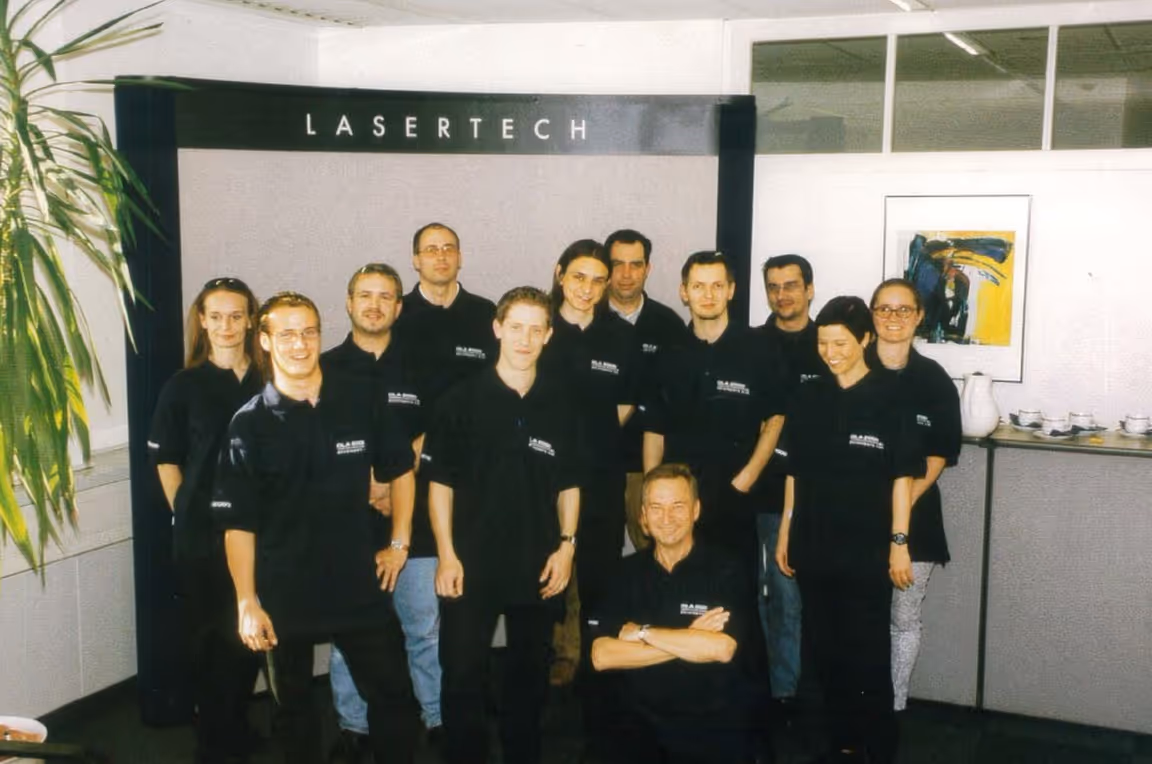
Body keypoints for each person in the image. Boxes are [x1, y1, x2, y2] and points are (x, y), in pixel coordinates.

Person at [213, 292, 420, 764]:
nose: (300, 344)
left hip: (357, 581)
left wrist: (399, 542)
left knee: (393, 697)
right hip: (284, 588)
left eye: (308, 331)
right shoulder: (249, 426)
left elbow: (400, 469)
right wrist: (247, 601)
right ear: (264, 341)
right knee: (294, 711)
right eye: (285, 334)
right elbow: (237, 523)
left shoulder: (359, 396)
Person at [424, 286, 582, 764]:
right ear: (497, 329)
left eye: (537, 329)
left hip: (539, 562)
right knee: (464, 674)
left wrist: (567, 546)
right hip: (470, 563)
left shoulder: (560, 403)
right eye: (516, 327)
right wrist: (447, 554)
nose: (525, 338)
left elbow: (569, 483)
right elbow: (440, 486)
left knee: (529, 677)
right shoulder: (459, 400)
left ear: (549, 335)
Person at [774, 296, 921, 764]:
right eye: (823, 342)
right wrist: (785, 532)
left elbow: (903, 478)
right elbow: (794, 472)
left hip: (866, 550)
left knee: (867, 653)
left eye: (840, 342)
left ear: (864, 339)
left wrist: (899, 543)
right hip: (814, 543)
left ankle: (875, 748)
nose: (830, 351)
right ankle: (832, 744)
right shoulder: (809, 396)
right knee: (820, 650)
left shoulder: (891, 398)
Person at [320, 264, 434, 761]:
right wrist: (365, 483)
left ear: (399, 306)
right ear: (348, 302)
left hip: (415, 521)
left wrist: (390, 477)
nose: (374, 305)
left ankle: (434, 718)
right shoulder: (323, 367)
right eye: (364, 296)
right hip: (349, 524)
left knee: (423, 626)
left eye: (385, 297)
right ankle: (354, 724)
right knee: (352, 633)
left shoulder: (421, 365)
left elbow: (439, 429)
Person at [149, 276, 263, 764]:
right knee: (206, 642)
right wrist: (185, 510)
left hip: (261, 535)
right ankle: (214, 743)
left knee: (248, 639)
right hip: (201, 539)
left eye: (236, 315)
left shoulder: (271, 380)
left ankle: (233, 724)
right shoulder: (183, 385)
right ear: (202, 320)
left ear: (251, 319)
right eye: (216, 316)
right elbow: (166, 457)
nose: (226, 326)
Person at [590, 463, 758, 764]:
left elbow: (721, 648)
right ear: (642, 516)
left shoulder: (726, 568)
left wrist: (642, 633)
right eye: (656, 507)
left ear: (696, 510)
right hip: (640, 728)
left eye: (678, 506)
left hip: (710, 726)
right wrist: (691, 638)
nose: (666, 518)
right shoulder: (623, 573)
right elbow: (602, 655)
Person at [540, 239, 638, 749]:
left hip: (599, 480)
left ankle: (596, 687)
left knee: (597, 582)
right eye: (579, 277)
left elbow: (623, 407)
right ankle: (545, 683)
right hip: (537, 482)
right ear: (560, 275)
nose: (588, 288)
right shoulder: (538, 327)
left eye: (598, 280)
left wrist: (586, 450)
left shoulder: (620, 337)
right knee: (540, 587)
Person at [643, 251, 785, 567]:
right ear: (684, 292)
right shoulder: (669, 352)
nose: (708, 295)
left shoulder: (757, 348)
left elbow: (775, 419)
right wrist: (651, 494)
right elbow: (654, 430)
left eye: (717, 286)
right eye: (698, 286)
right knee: (678, 596)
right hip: (677, 502)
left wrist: (744, 480)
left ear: (731, 290)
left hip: (735, 498)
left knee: (736, 600)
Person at [866, 278, 961, 712]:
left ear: (920, 317)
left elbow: (939, 457)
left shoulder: (935, 381)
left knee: (903, 620)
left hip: (918, 519)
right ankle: (860, 704)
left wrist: (896, 508)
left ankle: (894, 706)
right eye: (884, 309)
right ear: (872, 315)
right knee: (858, 618)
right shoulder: (852, 371)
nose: (893, 318)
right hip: (854, 517)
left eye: (903, 310)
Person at [755, 254, 821, 711]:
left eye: (792, 285)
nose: (783, 294)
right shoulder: (750, 344)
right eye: (774, 286)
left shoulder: (831, 342)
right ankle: (779, 692)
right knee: (773, 592)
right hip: (764, 489)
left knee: (804, 597)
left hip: (822, 493)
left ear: (810, 289)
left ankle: (799, 690)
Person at [604, 229, 691, 552]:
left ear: (648, 268)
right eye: (617, 264)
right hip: (598, 468)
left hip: (649, 469)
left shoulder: (669, 325)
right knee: (594, 564)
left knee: (656, 557)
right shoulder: (590, 321)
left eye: (636, 264)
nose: (626, 275)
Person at [395, 222, 498, 404]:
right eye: (431, 250)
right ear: (416, 261)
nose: (441, 257)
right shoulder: (397, 313)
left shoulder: (486, 313)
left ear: (459, 258)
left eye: (448, 249)